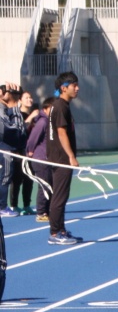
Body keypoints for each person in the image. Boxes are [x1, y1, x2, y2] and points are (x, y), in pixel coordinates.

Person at [46, 72, 82, 245]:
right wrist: (71, 156)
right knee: (59, 196)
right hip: (60, 158)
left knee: (62, 195)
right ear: (64, 87)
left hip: (58, 157)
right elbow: (61, 133)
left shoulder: (60, 105)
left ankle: (60, 229)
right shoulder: (61, 106)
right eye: (74, 85)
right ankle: (54, 233)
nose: (77, 88)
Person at [25, 97, 54, 223]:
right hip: (40, 158)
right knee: (44, 185)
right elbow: (32, 138)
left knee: (50, 185)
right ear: (46, 108)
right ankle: (41, 212)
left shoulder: (50, 121)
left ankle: (46, 210)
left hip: (47, 159)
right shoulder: (43, 122)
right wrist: (30, 151)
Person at [9, 91, 39, 214]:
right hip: (18, 151)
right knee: (17, 180)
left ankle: (27, 205)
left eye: (30, 97)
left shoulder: (37, 115)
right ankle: (14, 205)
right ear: (20, 100)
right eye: (26, 98)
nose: (29, 100)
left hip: (31, 152)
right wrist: (31, 117)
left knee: (29, 179)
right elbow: (19, 130)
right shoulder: (17, 114)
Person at [0, 83, 27, 218]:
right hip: (3, 152)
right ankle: (2, 205)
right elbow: (16, 133)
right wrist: (13, 105)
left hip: (7, 151)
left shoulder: (5, 110)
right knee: (4, 178)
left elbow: (20, 136)